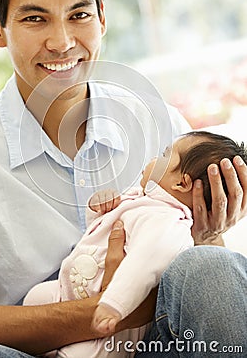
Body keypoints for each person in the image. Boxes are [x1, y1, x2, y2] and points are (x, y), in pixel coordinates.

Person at [0, 0, 246, 358]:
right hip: (44, 353)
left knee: (212, 266)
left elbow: (201, 285)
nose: (62, 42)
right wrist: (106, 309)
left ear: (102, 18)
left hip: (154, 347)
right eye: (35, 18)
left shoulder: (160, 124)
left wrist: (210, 234)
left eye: (79, 15)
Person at [23, 130, 247, 358]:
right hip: (71, 290)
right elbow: (101, 232)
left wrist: (114, 304)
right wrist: (100, 210)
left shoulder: (169, 223)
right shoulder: (143, 200)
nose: (154, 158)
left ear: (181, 183)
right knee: (35, 297)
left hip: (113, 321)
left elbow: (143, 266)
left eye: (164, 154)